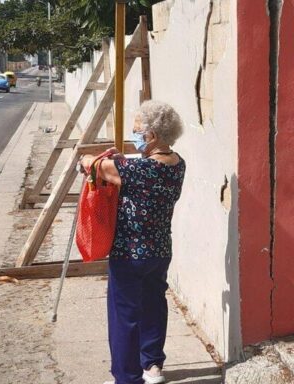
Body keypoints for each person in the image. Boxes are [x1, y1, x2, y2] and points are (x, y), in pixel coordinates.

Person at [79, 100, 186, 384]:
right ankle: (151, 366)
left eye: (138, 131)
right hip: (160, 250)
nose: (134, 135)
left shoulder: (138, 172)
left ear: (152, 136)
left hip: (130, 254)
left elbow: (96, 167)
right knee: (153, 305)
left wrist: (89, 161)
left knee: (124, 315)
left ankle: (126, 378)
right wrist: (120, 161)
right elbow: (137, 171)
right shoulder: (177, 164)